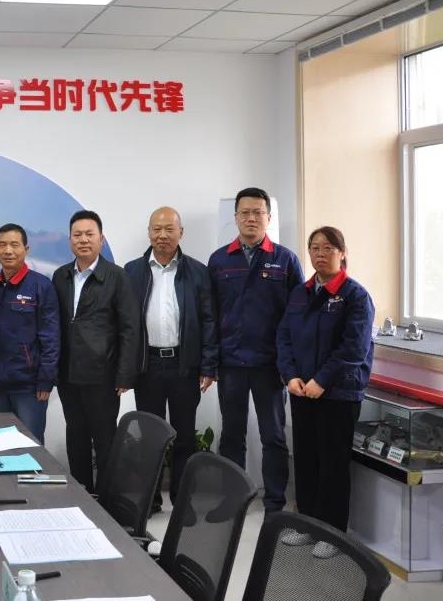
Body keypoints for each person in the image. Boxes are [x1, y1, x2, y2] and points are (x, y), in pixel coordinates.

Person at [277, 226, 374, 554]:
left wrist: (322, 380)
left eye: (328, 248)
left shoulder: (355, 296)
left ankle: (332, 536)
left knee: (333, 464)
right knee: (306, 460)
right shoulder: (300, 293)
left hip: (337, 394)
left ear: (342, 253)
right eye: (315, 247)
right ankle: (307, 525)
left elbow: (354, 349)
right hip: (302, 390)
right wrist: (290, 375)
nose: (320, 253)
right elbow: (284, 337)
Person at [207, 187, 302, 512]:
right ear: (235, 217)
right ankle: (232, 502)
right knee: (231, 435)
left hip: (270, 365)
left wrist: (291, 365)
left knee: (273, 436)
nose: (251, 218)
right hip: (231, 363)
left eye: (258, 212)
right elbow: (211, 315)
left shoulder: (285, 260)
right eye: (245, 213)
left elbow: (297, 315)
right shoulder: (219, 260)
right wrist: (211, 361)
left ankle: (275, 504)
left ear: (268, 217)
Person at [123, 207, 218, 507]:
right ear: (149, 233)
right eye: (157, 229)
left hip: (183, 364)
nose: (162, 235)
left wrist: (208, 365)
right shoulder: (132, 271)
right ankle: (149, 500)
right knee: (150, 436)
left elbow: (209, 320)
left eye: (169, 229)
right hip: (147, 364)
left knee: (184, 436)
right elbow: (124, 324)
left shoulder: (198, 272)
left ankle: (181, 500)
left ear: (181, 233)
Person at [52, 210, 139, 499]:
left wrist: (125, 373)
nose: (83, 240)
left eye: (89, 234)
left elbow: (130, 328)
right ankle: (82, 496)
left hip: (103, 374)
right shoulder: (61, 276)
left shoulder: (117, 277)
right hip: (68, 373)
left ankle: (107, 500)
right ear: (70, 240)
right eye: (77, 235)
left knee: (105, 439)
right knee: (75, 435)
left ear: (101, 239)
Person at [0, 223, 60, 444]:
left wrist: (46, 380)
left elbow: (51, 337)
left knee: (31, 445)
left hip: (29, 386)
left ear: (26, 249)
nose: (8, 251)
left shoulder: (41, 286)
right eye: (2, 245)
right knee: (0, 445)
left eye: (14, 245)